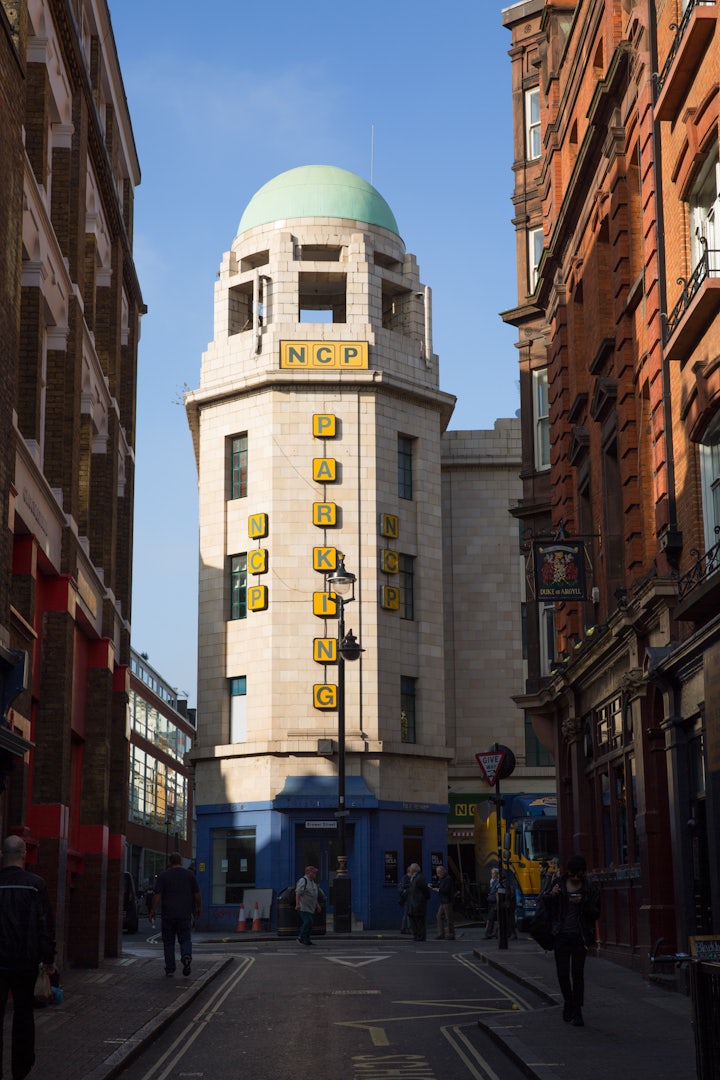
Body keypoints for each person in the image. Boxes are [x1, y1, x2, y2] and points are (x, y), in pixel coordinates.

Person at [0, 834, 56, 1080]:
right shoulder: (36, 884)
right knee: (24, 1014)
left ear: (3, 855)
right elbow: (45, 926)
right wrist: (49, 958)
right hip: (25, 962)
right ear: (24, 853)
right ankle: (20, 1070)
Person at [547, 854, 600, 1027]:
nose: (576, 878)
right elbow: (544, 905)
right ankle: (568, 1002)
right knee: (562, 973)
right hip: (561, 936)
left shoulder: (589, 888)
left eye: (579, 875)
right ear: (567, 872)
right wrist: (551, 895)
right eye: (573, 874)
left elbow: (596, 913)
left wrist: (583, 902)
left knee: (577, 975)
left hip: (579, 937)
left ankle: (577, 1011)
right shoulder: (558, 884)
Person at [150, 852, 201, 978]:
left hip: (168, 915)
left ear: (170, 862)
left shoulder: (164, 876)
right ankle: (186, 955)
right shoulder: (190, 875)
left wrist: (152, 910)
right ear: (181, 862)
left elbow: (157, 895)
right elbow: (197, 894)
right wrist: (198, 907)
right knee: (185, 939)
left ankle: (170, 969)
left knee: (168, 943)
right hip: (184, 914)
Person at [295, 865, 321, 945]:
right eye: (314, 873)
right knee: (308, 921)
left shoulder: (312, 882)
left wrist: (317, 905)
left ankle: (306, 939)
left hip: (311, 907)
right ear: (308, 873)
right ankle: (301, 937)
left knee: (310, 923)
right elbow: (298, 893)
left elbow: (314, 895)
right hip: (303, 906)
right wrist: (297, 904)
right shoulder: (303, 881)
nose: (315, 875)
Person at [406, 863, 431, 941]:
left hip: (418, 903)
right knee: (413, 920)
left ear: (413, 870)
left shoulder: (420, 878)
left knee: (419, 921)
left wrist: (426, 897)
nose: (409, 869)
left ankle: (421, 936)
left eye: (410, 868)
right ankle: (416, 935)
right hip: (413, 903)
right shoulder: (414, 877)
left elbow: (425, 890)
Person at [433, 865, 455, 940]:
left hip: (447, 901)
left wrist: (438, 890)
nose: (437, 874)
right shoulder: (443, 879)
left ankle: (451, 934)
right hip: (443, 901)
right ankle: (441, 933)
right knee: (439, 916)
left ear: (442, 872)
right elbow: (440, 885)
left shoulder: (448, 879)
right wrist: (433, 885)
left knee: (448, 918)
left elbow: (446, 890)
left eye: (438, 873)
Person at [484, 868, 500, 938]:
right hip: (491, 901)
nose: (492, 875)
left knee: (492, 918)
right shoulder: (492, 881)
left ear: (497, 874)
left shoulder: (497, 882)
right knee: (492, 918)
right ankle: (492, 933)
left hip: (494, 902)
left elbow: (496, 892)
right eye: (492, 873)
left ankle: (490, 933)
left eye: (493, 873)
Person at [398, 867, 412, 934]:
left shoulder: (408, 877)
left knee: (407, 914)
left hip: (408, 898)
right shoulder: (405, 877)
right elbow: (403, 885)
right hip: (407, 898)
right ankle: (405, 928)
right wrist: (411, 884)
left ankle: (405, 928)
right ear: (409, 871)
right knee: (407, 914)